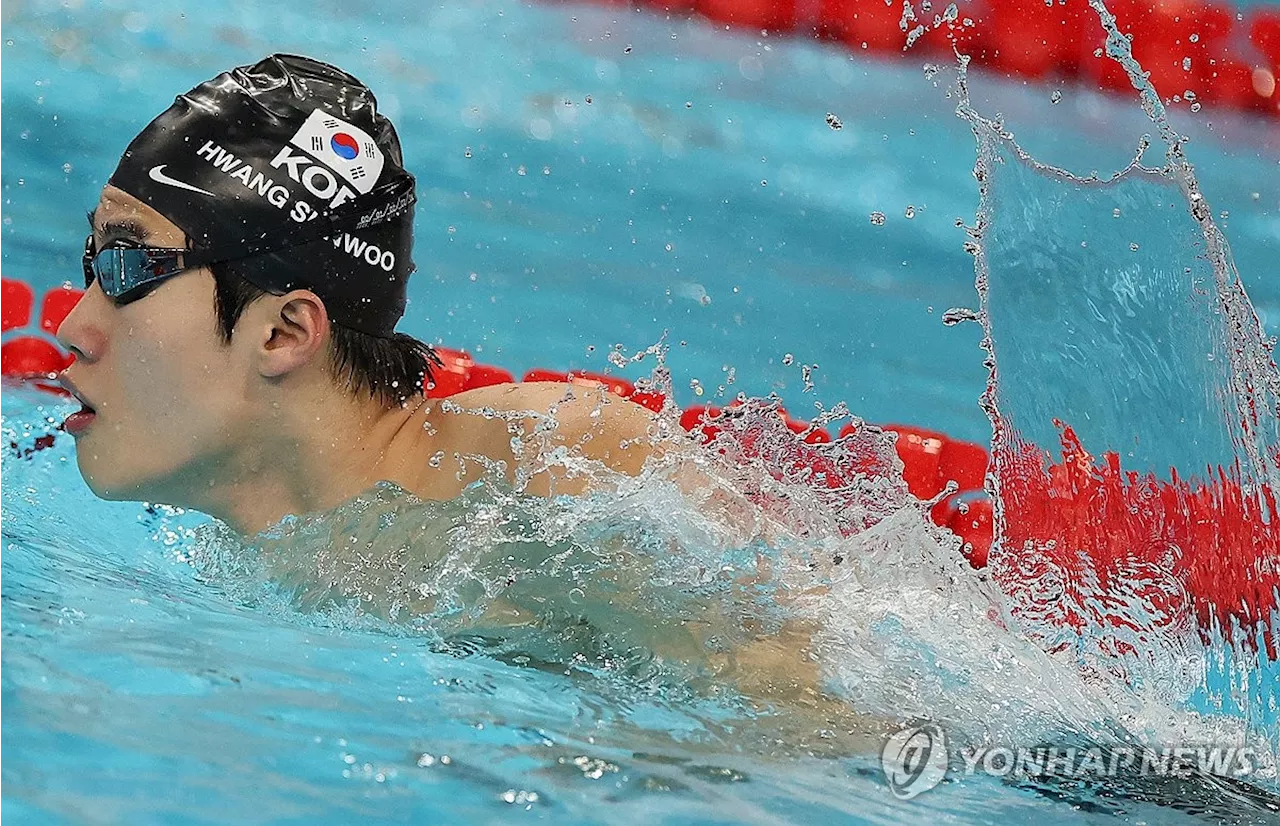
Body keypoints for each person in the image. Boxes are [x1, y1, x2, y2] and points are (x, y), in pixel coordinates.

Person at [56, 53, 659, 537]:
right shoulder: (271, 567)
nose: (72, 330)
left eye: (127, 265)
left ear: (283, 332)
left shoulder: (551, 461)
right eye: (93, 264)